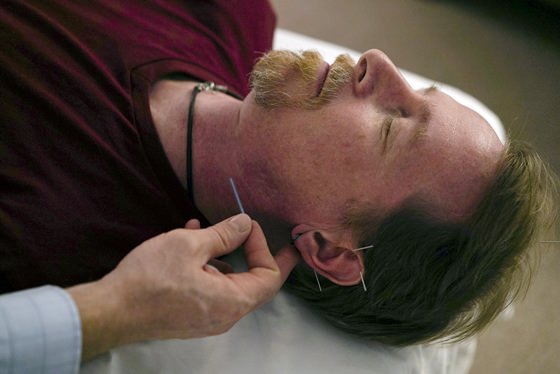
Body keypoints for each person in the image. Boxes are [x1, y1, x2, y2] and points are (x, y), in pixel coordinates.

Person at [0, 0, 557, 372]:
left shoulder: (57, 240)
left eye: (392, 126)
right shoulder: (233, 13)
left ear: (329, 247)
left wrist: (113, 311)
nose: (377, 60)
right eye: (415, 91)